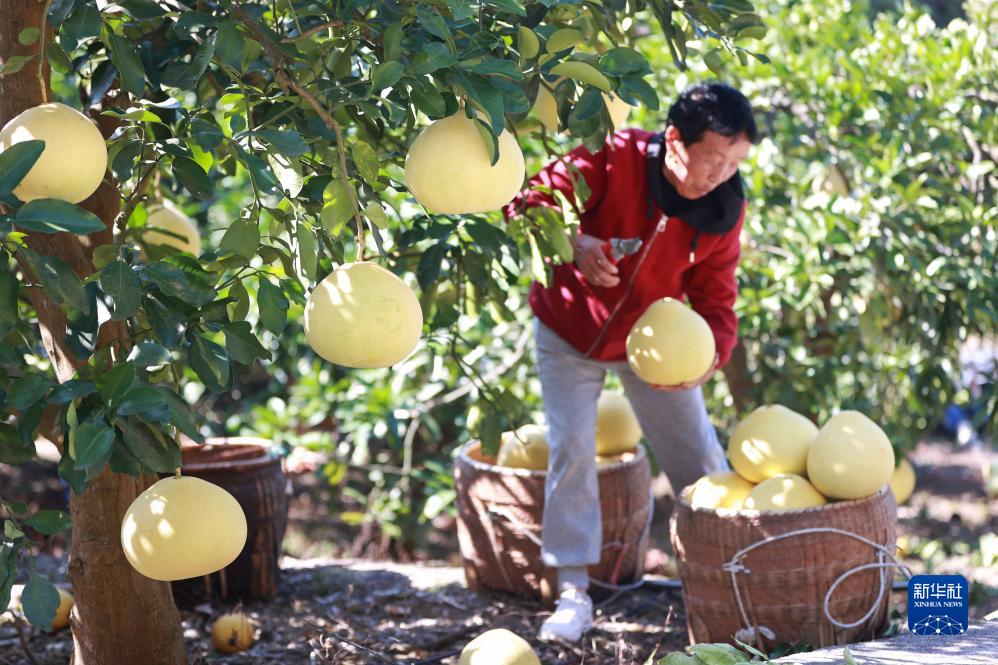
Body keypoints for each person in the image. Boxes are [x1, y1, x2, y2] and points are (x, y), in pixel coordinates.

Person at [503, 81, 759, 643]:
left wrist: (708, 359)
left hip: (653, 349)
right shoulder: (611, 156)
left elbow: (717, 302)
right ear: (673, 140)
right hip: (568, 330)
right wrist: (574, 242)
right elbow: (527, 203)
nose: (722, 174)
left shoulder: (721, 210)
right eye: (713, 159)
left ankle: (725, 576)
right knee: (571, 447)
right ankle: (572, 590)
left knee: (699, 457)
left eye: (735, 163)